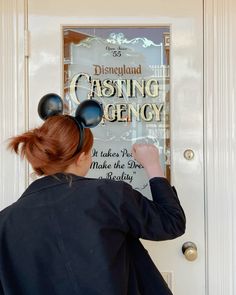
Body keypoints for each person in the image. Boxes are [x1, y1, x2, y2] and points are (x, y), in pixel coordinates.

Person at [0, 114, 186, 295]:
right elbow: (171, 222)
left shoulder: (5, 222)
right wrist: (153, 165)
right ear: (82, 157)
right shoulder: (108, 195)